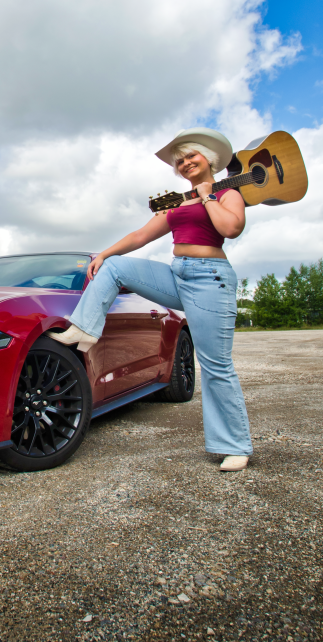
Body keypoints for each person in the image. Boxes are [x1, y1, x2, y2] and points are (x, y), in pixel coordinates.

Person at [49, 128, 252, 472]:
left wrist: (206, 197)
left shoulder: (229, 194)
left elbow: (231, 229)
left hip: (210, 280)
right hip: (178, 274)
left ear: (209, 159)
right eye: (180, 160)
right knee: (114, 268)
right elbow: (141, 235)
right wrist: (104, 254)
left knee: (216, 365)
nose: (186, 163)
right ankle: (83, 330)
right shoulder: (175, 202)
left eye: (192, 156)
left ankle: (235, 446)